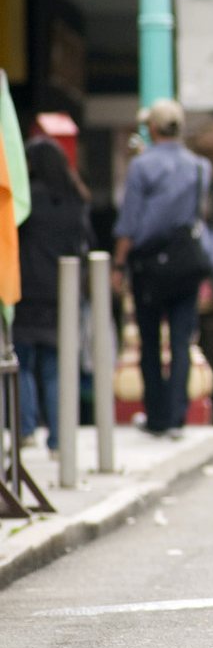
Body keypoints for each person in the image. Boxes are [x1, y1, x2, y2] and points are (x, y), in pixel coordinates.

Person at [111, 99, 212, 439]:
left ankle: (156, 416)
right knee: (182, 339)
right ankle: (177, 415)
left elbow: (130, 221)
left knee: (150, 339)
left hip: (149, 264)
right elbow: (199, 213)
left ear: (152, 128)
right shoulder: (200, 167)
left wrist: (118, 264)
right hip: (186, 262)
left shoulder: (142, 166)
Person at [12, 137, 93, 453]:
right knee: (56, 368)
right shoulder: (76, 200)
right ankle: (59, 439)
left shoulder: (25, 202)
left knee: (23, 362)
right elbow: (87, 245)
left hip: (27, 291)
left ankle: (26, 428)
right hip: (64, 294)